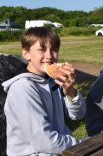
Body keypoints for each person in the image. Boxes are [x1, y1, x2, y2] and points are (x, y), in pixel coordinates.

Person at [2, 27, 86, 155]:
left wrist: (70, 92)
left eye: (54, 50)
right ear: (26, 54)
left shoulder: (52, 81)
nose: (49, 56)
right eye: (42, 49)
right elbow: (44, 142)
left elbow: (78, 115)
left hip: (57, 150)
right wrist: (82, 143)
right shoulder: (23, 87)